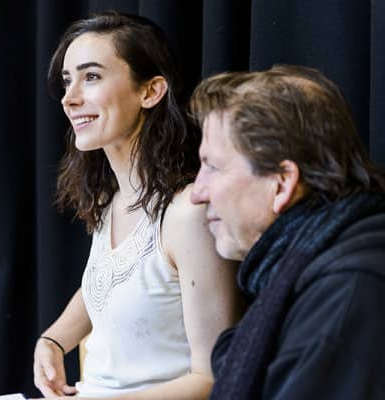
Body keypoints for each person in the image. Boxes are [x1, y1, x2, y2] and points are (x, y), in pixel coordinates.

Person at [33, 11, 241, 399]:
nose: (69, 97)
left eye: (91, 76)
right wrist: (53, 340)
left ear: (151, 91)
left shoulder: (187, 214)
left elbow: (211, 378)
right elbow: (109, 284)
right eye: (67, 80)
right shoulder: (111, 200)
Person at [189, 64, 385, 399]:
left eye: (214, 168)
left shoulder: (346, 293)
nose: (197, 192)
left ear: (281, 184)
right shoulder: (308, 268)